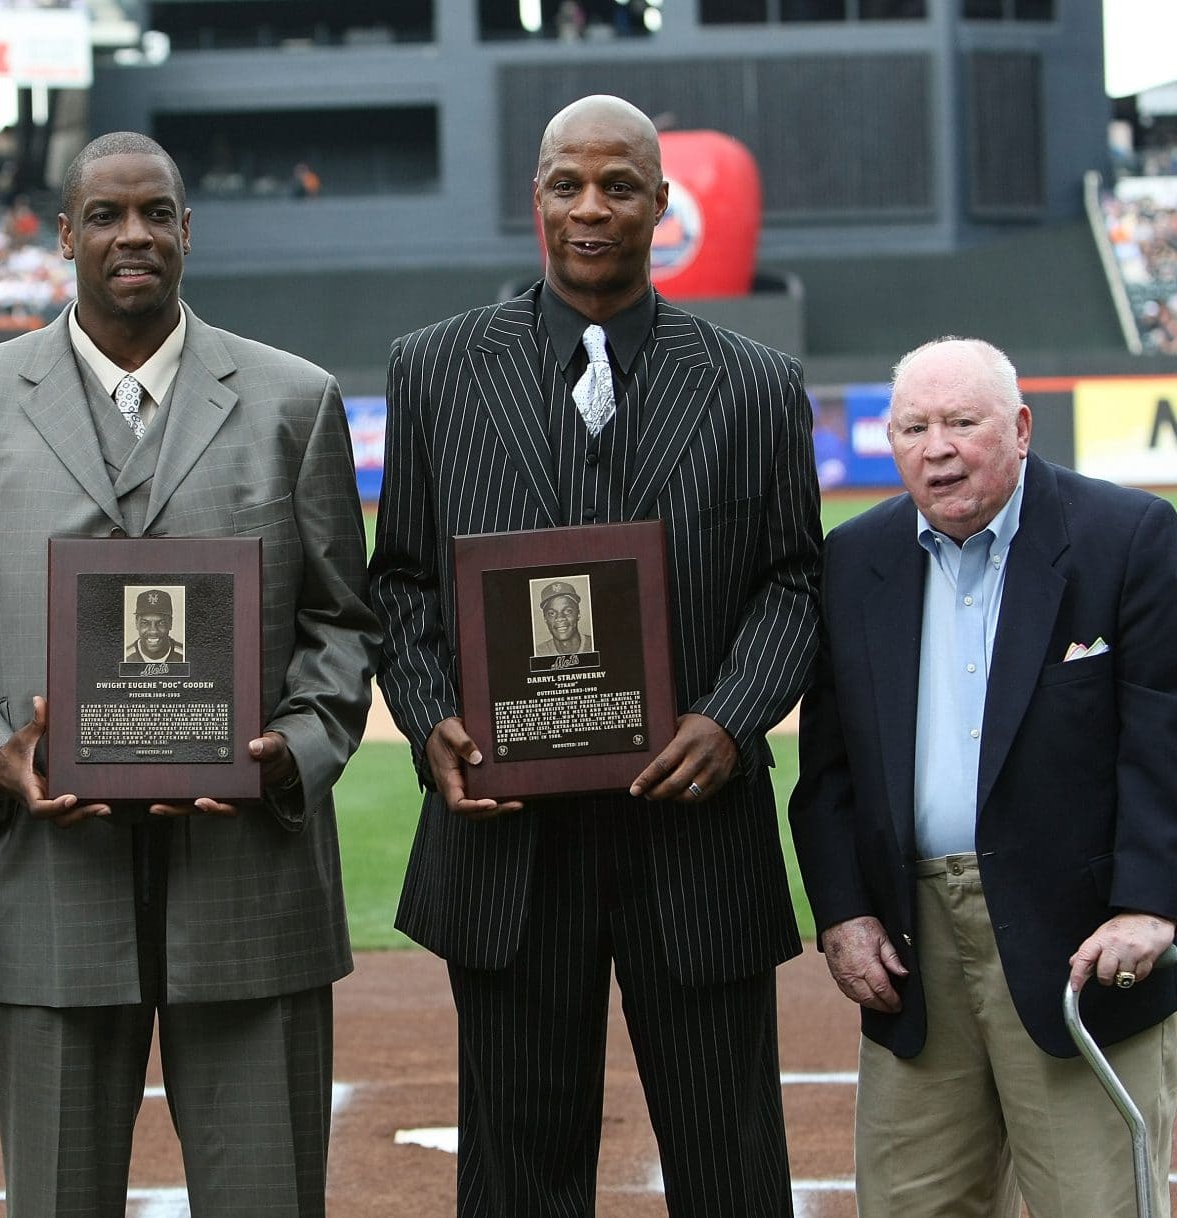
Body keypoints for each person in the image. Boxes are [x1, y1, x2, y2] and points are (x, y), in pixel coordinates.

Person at [0, 131, 378, 1216]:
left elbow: (342, 618)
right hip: (49, 884)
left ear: (184, 232)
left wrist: (291, 754)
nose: (133, 235)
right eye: (107, 216)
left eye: (155, 214)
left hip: (249, 875)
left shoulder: (291, 399)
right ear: (64, 234)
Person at [368, 94, 821, 1216]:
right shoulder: (433, 371)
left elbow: (795, 583)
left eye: (618, 186)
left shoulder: (753, 383)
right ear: (534, 201)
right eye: (567, 184)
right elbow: (402, 580)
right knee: (518, 1178)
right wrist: (431, 721)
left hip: (694, 837)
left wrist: (729, 717)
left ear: (659, 206)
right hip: (510, 850)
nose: (590, 208)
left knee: (730, 1172)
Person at [789, 337, 1177, 1218]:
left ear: (1021, 427)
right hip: (914, 953)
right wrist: (842, 910)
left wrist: (1151, 903)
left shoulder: (1122, 535)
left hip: (1081, 948)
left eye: (962, 422)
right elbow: (829, 766)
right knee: (910, 1205)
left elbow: (1176, 731)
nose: (937, 447)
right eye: (913, 426)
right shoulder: (854, 561)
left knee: (1095, 1204)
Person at [125, 587, 187, 662]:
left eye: (161, 623)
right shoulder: (125, 657)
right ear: (136, 623)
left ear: (170, 623)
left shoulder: (185, 656)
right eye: (145, 623)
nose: (153, 631)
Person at [535, 580, 590, 656]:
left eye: (568, 611)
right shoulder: (538, 653)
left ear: (578, 614)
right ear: (545, 618)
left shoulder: (593, 645)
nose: (560, 618)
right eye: (552, 613)